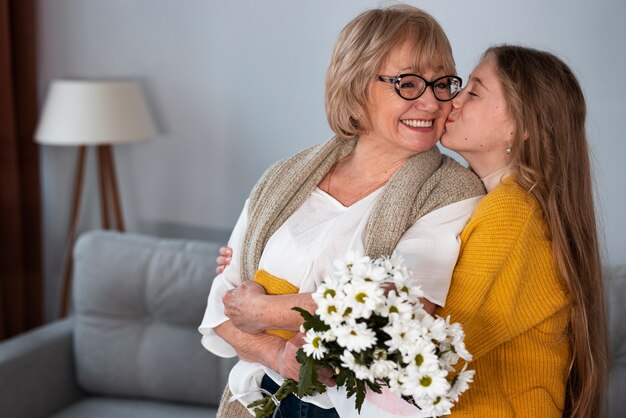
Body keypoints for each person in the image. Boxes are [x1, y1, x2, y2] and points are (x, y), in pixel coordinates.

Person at [215, 45, 609, 417]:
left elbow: (404, 337)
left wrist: (262, 305)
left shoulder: (511, 214)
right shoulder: (492, 204)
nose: (450, 101)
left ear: (521, 127)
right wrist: (262, 261)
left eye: (474, 92)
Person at [198, 5, 486, 418]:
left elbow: (395, 312)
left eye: (442, 84)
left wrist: (264, 311)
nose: (431, 101)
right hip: (260, 398)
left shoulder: (450, 191)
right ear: (355, 85)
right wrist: (278, 355)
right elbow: (220, 307)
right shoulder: (284, 178)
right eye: (408, 83)